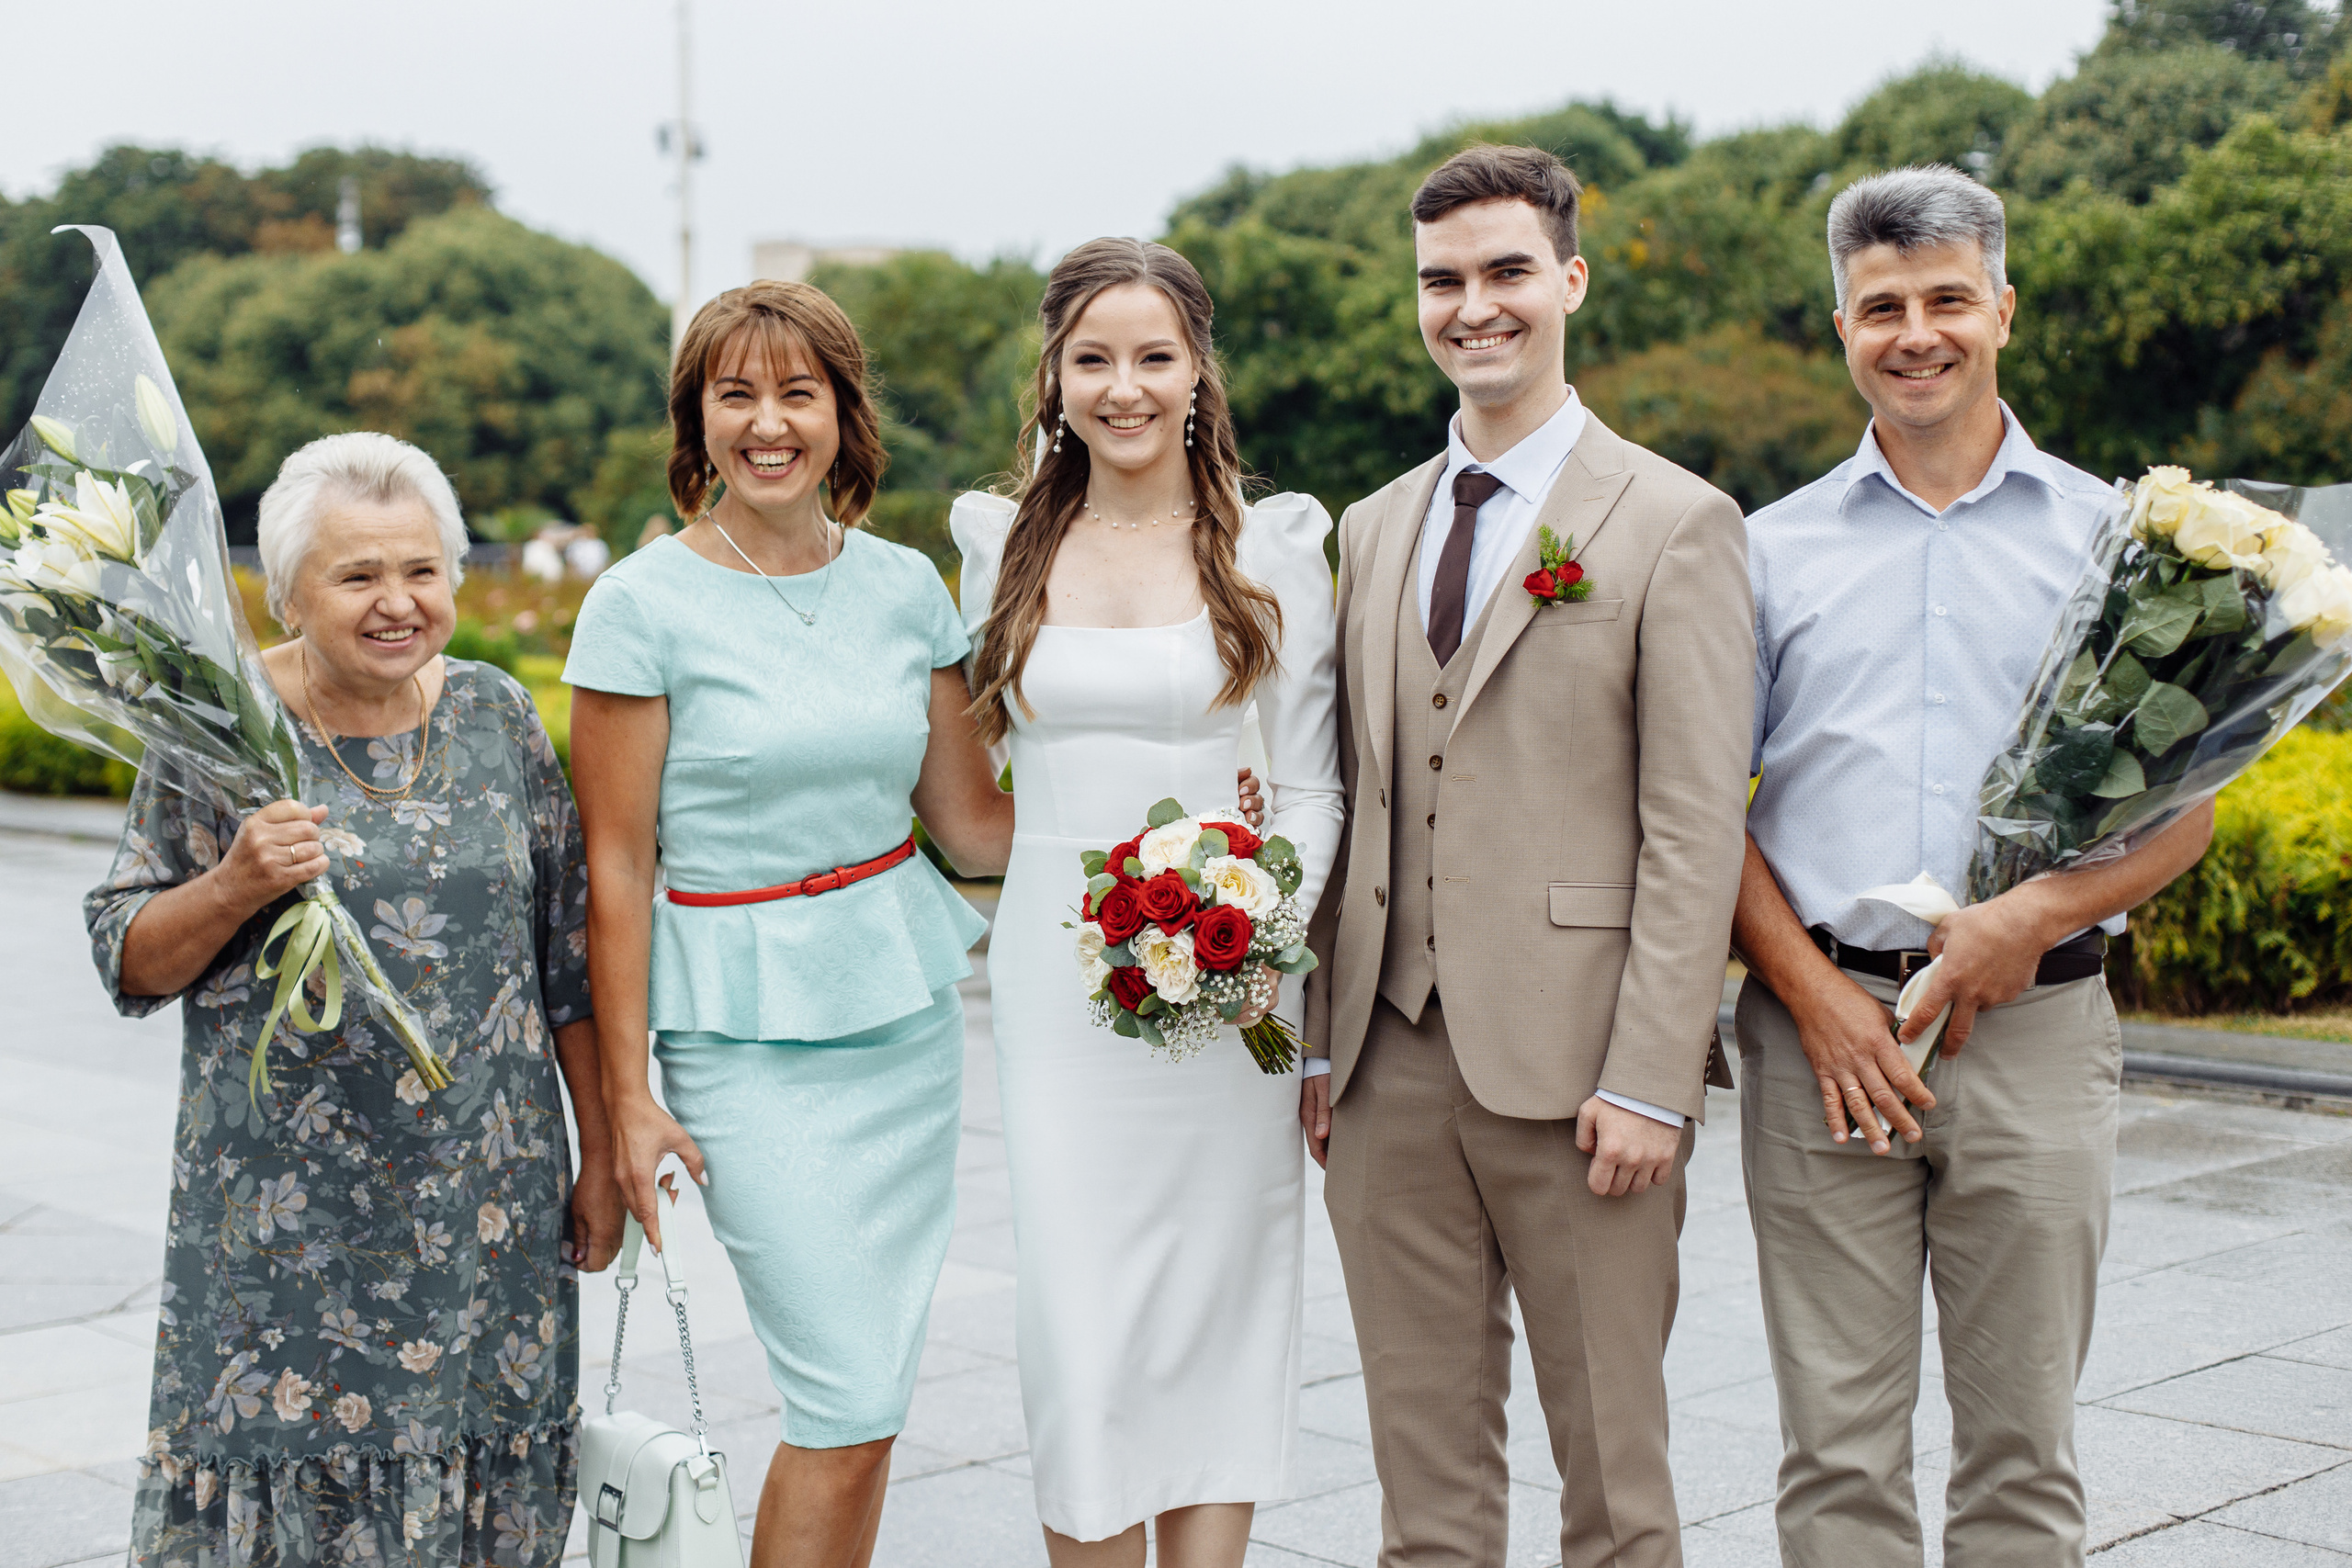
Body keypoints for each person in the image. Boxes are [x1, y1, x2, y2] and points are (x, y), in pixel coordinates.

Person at [1735, 165, 2216, 1567]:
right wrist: (1815, 997)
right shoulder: (1767, 551)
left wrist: (2037, 916)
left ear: (2003, 308)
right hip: (1820, 1036)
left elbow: (2182, 813)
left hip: (2037, 1025)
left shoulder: (2119, 547)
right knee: (1836, 1449)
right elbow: (1707, 811)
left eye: (1948, 298)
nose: (1917, 332)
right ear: (1841, 325)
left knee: (2021, 1448)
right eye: (1882, 306)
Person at [1301, 144, 1753, 1567]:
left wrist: (1652, 1074)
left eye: (1505, 272)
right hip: (1385, 1059)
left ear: (1568, 279)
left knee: (1615, 1482)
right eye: (1443, 279)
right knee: (1421, 1494)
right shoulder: (1371, 527)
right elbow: (1352, 791)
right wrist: (1321, 1045)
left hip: (1583, 1071)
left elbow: (1696, 824)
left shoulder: (1676, 519)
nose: (1473, 306)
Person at [92, 431, 616, 1565]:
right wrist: (235, 882)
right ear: (285, 594)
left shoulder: (494, 717)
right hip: (287, 1230)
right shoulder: (217, 732)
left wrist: (601, 1157)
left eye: (420, 570)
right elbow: (128, 956)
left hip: (487, 1210)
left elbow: (566, 958)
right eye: (357, 575)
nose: (397, 602)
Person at [564, 279, 1016, 1568]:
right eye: (737, 394)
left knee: (870, 1407)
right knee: (845, 1390)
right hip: (742, 1037)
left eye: (798, 392)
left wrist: (1182, 835)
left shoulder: (904, 587)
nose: (770, 422)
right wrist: (627, 1097)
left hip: (901, 1022)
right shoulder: (639, 605)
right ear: (696, 421)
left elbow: (974, 823)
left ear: (842, 413)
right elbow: (615, 863)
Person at [954, 236, 1342, 1568]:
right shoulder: (996, 543)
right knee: (1080, 1314)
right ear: (1055, 375)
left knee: (1218, 1304)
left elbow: (1313, 790)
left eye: (1154, 356)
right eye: (1094, 358)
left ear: (1198, 372)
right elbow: (979, 775)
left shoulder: (1276, 544)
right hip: (1059, 991)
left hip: (1232, 989)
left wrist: (1261, 944)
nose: (1125, 387)